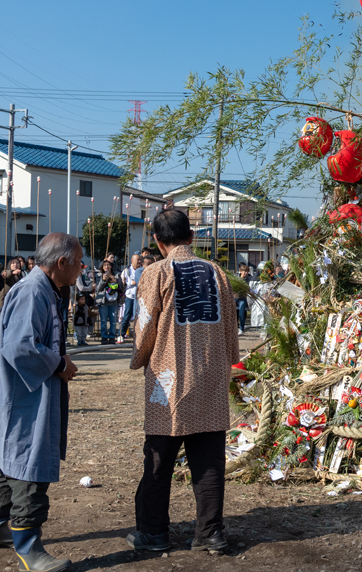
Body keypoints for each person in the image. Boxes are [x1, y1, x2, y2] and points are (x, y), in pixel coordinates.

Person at [0, 233, 81, 572]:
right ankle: (28, 547)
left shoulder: (44, 289)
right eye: (77, 262)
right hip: (22, 394)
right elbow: (19, 346)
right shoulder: (33, 291)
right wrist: (59, 363)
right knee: (30, 464)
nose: (81, 268)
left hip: (24, 391)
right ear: (61, 263)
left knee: (14, 462)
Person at [127, 208, 239, 554]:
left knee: (159, 461)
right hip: (210, 377)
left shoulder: (156, 272)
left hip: (168, 378)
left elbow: (145, 324)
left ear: (159, 242)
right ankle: (211, 532)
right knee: (208, 461)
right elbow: (230, 329)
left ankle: (154, 533)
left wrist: (138, 357)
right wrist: (228, 360)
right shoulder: (217, 271)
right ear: (191, 237)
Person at [96, 261, 123, 345]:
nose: (107, 266)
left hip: (114, 302)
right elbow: (98, 289)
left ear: (111, 266)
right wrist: (104, 280)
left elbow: (121, 288)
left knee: (113, 321)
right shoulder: (99, 276)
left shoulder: (117, 275)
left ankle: (112, 337)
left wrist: (116, 282)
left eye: (108, 265)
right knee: (103, 321)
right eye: (105, 265)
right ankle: (104, 337)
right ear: (102, 267)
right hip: (103, 302)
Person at [119, 254, 144, 341]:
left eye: (140, 260)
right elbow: (124, 284)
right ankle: (121, 334)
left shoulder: (143, 270)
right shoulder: (126, 271)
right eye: (138, 260)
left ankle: (139, 335)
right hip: (130, 296)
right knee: (127, 316)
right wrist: (131, 283)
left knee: (141, 316)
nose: (140, 261)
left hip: (140, 296)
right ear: (132, 260)